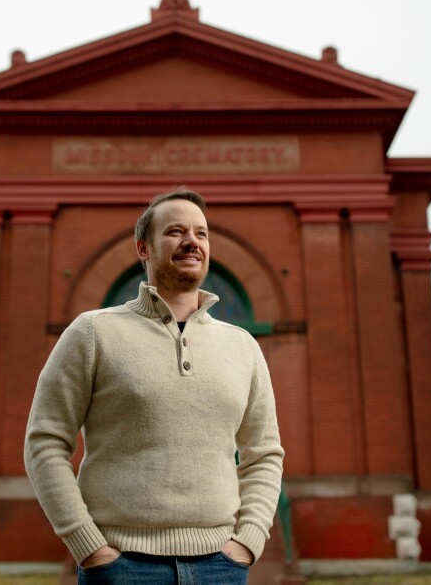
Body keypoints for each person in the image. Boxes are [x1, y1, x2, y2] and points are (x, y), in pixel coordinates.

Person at [24, 187, 284, 584]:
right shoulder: (93, 332)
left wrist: (247, 541)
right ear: (143, 248)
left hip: (221, 566)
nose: (192, 241)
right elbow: (44, 441)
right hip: (121, 565)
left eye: (201, 233)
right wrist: (88, 545)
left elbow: (264, 453)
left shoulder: (242, 346)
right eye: (176, 231)